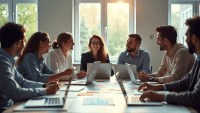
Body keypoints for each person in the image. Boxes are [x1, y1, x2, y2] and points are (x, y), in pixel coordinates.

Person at [138, 16, 200, 112]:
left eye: (186, 36)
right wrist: (155, 87)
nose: (186, 40)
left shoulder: (183, 52)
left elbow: (195, 96)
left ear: (194, 38)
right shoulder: (198, 60)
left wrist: (161, 96)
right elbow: (184, 82)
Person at [0, 22, 60, 112]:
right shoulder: (2, 63)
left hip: (14, 105)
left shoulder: (8, 61)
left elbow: (23, 82)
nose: (25, 45)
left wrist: (44, 85)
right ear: (18, 43)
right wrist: (46, 91)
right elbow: (16, 93)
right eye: (24, 41)